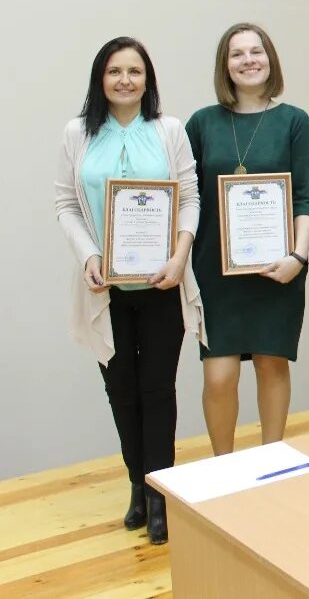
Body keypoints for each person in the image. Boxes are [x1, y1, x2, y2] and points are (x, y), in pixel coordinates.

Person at [54, 37, 203, 545]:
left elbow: (191, 198)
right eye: (115, 71)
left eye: (134, 71)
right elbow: (66, 206)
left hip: (162, 282)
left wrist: (180, 256)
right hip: (104, 288)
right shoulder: (78, 134)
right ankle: (137, 489)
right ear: (101, 78)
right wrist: (89, 257)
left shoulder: (169, 130)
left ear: (148, 79)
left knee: (158, 391)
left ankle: (162, 494)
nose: (125, 80)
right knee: (121, 392)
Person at [186, 23, 309, 455]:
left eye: (256, 51)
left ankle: (270, 461)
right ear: (225, 66)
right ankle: (223, 466)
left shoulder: (294, 121)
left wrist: (298, 256)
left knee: (271, 363)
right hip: (216, 271)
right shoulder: (203, 123)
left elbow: (306, 195)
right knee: (219, 375)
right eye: (237, 54)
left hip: (278, 268)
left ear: (270, 59)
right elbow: (187, 197)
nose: (248, 61)